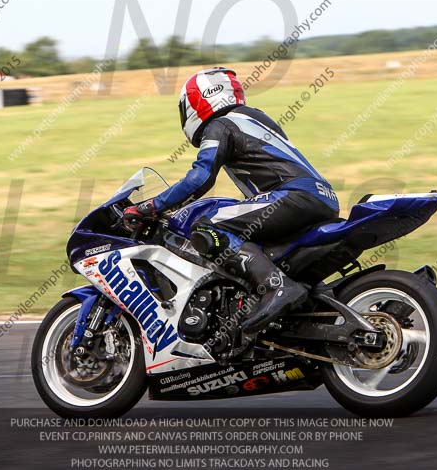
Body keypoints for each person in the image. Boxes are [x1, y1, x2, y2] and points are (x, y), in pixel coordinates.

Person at [123, 67, 339, 339]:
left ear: (199, 100)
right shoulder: (254, 118)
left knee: (205, 226)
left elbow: (200, 178)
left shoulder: (221, 124)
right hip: (321, 197)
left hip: (293, 195)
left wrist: (151, 206)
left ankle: (275, 286)